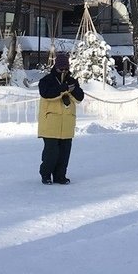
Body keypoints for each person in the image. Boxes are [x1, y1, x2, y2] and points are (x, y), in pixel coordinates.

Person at [37, 52, 84, 185]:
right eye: (61, 69)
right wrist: (62, 89)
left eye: (66, 69)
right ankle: (45, 174)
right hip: (50, 124)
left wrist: (73, 90)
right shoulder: (46, 80)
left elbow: (80, 97)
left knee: (64, 154)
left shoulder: (72, 81)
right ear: (56, 67)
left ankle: (60, 176)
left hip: (67, 124)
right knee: (51, 153)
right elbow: (46, 94)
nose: (63, 71)